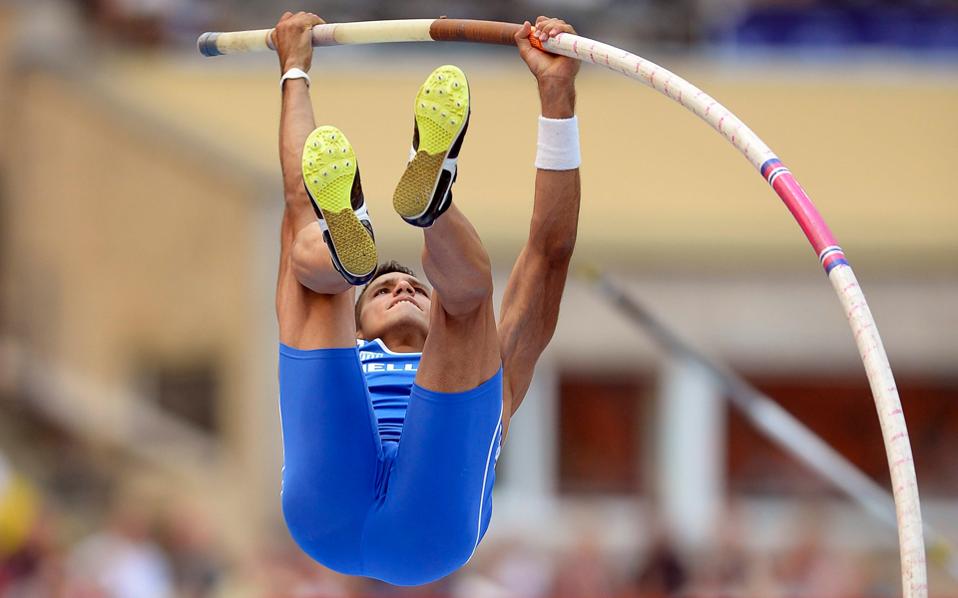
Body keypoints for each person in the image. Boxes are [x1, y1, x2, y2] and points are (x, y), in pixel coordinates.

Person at [273, 11, 581, 586]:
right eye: (387, 287)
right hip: (410, 531)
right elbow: (551, 252)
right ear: (359, 328)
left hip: (366, 525)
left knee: (446, 313)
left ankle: (378, 231)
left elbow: (545, 252)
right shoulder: (484, 367)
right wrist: (556, 97)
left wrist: (295, 68)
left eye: (412, 285)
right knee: (456, 307)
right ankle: (421, 212)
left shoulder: (474, 363)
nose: (403, 287)